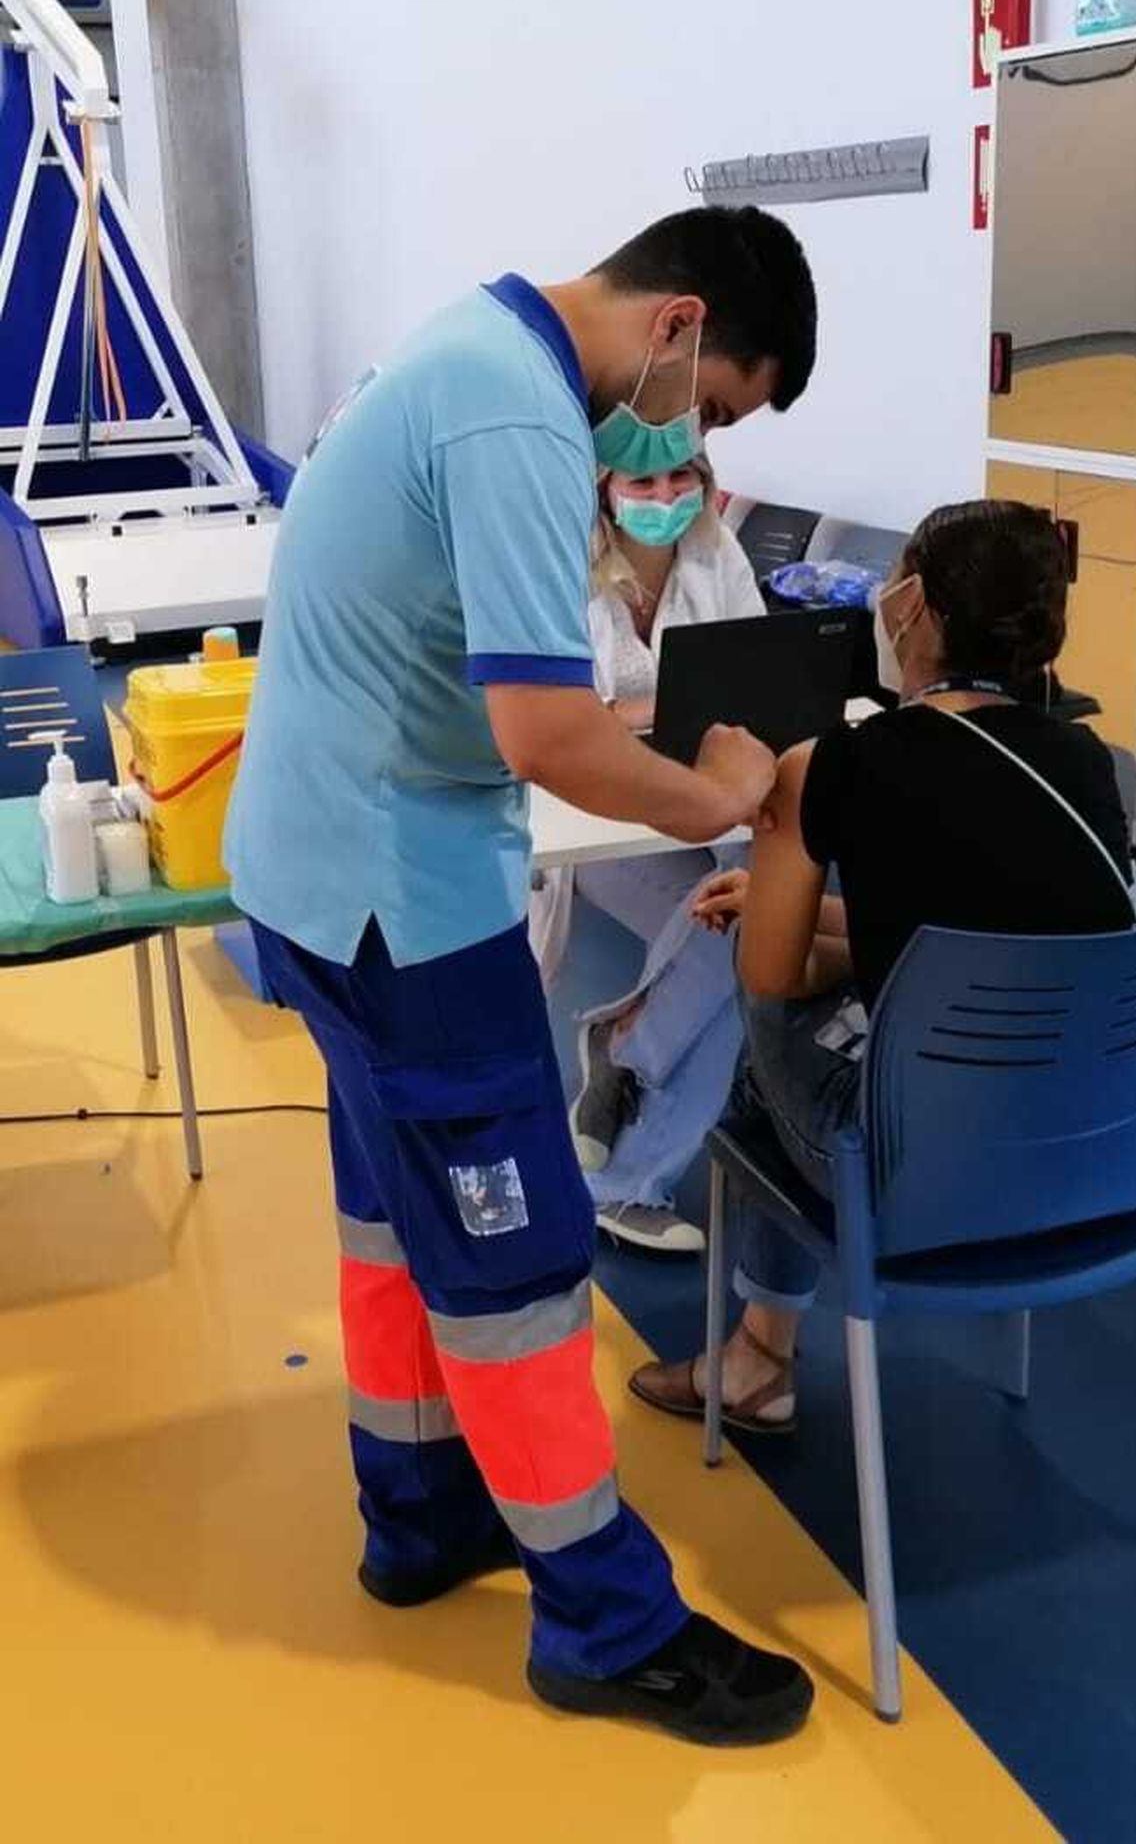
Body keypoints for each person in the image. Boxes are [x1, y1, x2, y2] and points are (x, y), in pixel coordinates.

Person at [224, 207, 820, 1745]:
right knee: (518, 1264)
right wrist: (722, 792)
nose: (700, 446)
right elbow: (547, 737)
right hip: (397, 905)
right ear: (680, 327)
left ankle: (420, 1512)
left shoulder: (468, 348)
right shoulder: (511, 411)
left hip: (318, 869)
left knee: (392, 1216)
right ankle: (607, 1623)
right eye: (724, 407)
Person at [629, 499, 1136, 1434]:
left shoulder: (830, 765)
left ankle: (757, 1359)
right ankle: (757, 1356)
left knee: (764, 1049)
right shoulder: (1087, 761)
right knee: (858, 993)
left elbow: (768, 980)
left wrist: (800, 929)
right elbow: (972, 928)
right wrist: (831, 928)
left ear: (912, 605)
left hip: (915, 1165)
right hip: (1102, 1147)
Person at [530, 450, 765, 1256]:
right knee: (746, 929)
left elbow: (757, 671)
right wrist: (664, 708)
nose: (666, 497)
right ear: (605, 486)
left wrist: (643, 713)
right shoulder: (560, 561)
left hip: (704, 809)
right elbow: (562, 718)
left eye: (680, 480)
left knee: (749, 924)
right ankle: (625, 1148)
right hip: (599, 824)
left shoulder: (715, 549)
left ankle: (624, 1065)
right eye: (643, 483)